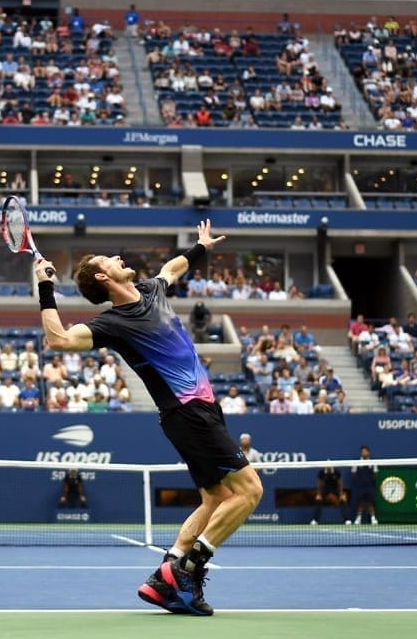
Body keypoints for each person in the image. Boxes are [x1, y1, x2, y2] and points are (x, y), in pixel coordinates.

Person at [35, 220, 261, 616]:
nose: (120, 257)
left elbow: (173, 268)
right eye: (111, 258)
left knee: (216, 498)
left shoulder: (150, 290)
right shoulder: (112, 324)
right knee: (250, 491)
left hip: (203, 410)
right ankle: (188, 571)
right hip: (186, 412)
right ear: (104, 276)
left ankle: (163, 579)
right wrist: (45, 287)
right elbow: (59, 339)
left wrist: (199, 248)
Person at [351, 445, 378, 525]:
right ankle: (358, 519)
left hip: (370, 486)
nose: (364, 453)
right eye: (362, 451)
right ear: (361, 453)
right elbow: (353, 474)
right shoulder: (357, 463)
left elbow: (375, 474)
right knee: (360, 503)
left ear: (368, 452)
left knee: (370, 503)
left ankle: (373, 519)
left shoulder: (373, 463)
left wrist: (370, 480)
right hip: (360, 486)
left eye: (365, 451)